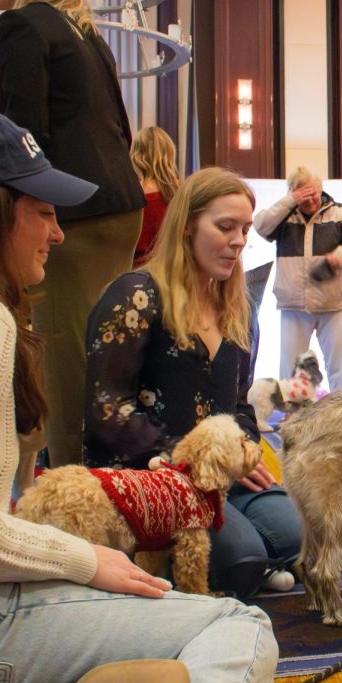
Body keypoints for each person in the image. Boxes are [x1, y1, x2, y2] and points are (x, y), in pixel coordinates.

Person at [0, 110, 275, 683]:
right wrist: (83, 560)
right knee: (237, 625)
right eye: (43, 211)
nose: (59, 233)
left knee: (266, 539)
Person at [84, 167, 302, 599]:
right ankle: (245, 566)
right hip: (152, 477)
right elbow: (108, 408)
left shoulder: (240, 308)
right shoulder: (135, 294)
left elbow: (241, 404)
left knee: (301, 535)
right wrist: (184, 460)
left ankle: (253, 563)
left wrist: (242, 455)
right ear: (186, 226)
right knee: (242, 557)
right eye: (225, 227)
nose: (239, 240)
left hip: (221, 478)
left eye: (243, 229)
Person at [0, 0, 146, 466]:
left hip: (73, 213)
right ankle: (114, 473)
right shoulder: (86, 32)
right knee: (107, 351)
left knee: (66, 360)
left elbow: (24, 137)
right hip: (121, 205)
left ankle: (78, 494)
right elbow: (120, 127)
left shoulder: (21, 25)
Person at [253, 167, 342, 389]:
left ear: (321, 189)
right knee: (289, 371)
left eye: (314, 193)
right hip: (292, 304)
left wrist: (339, 256)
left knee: (337, 369)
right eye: (303, 194)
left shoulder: (341, 213)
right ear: (292, 192)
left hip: (331, 303)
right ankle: (291, 418)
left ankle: (341, 415)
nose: (310, 199)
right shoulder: (283, 215)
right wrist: (289, 201)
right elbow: (260, 225)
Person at [129, 126, 179, 266]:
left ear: (136, 154)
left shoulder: (132, 194)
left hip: (136, 270)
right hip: (172, 266)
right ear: (170, 153)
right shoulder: (182, 193)